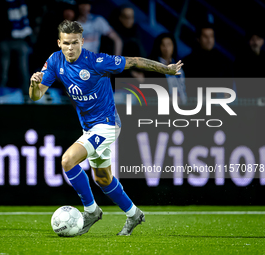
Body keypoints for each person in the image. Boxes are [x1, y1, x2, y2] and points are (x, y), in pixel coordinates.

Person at [29, 20, 182, 236]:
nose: (70, 48)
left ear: (82, 41)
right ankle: (134, 214)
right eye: (66, 43)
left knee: (67, 160)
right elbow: (36, 96)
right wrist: (34, 84)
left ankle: (91, 211)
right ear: (59, 43)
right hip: (90, 128)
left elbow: (135, 61)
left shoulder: (97, 61)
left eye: (74, 43)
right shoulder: (55, 61)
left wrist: (166, 69)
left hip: (108, 124)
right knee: (102, 178)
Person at [147, 33, 187, 104]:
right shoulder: (152, 67)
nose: (166, 48)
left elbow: (183, 88)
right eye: (163, 45)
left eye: (169, 44)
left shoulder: (180, 67)